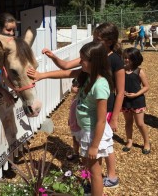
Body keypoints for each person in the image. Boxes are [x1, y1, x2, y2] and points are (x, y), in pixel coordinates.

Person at [29, 22, 124, 188]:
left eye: (98, 39)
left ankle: (111, 176)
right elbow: (66, 69)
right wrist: (44, 71)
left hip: (104, 107)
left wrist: (115, 117)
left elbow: (120, 92)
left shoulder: (112, 62)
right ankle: (94, 182)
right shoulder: (89, 64)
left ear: (109, 41)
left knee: (104, 147)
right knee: (96, 153)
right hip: (90, 110)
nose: (94, 40)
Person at [121, 47, 150, 154]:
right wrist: (121, 91)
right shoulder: (122, 70)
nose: (126, 60)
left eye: (129, 58)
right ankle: (129, 141)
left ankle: (146, 142)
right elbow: (117, 84)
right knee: (128, 122)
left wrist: (136, 94)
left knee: (140, 123)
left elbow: (146, 86)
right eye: (125, 57)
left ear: (135, 58)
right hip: (125, 101)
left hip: (138, 101)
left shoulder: (139, 71)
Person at [0, 12, 18, 104]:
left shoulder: (10, 47)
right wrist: (3, 91)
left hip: (6, 88)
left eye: (13, 30)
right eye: (8, 30)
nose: (12, 33)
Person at [66, 78, 81, 161]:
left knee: (82, 141)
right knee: (75, 139)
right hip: (74, 124)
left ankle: (84, 158)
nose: (73, 88)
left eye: (76, 86)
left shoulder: (81, 99)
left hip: (80, 125)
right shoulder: (74, 98)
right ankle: (76, 153)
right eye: (73, 85)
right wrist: (70, 120)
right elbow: (71, 111)